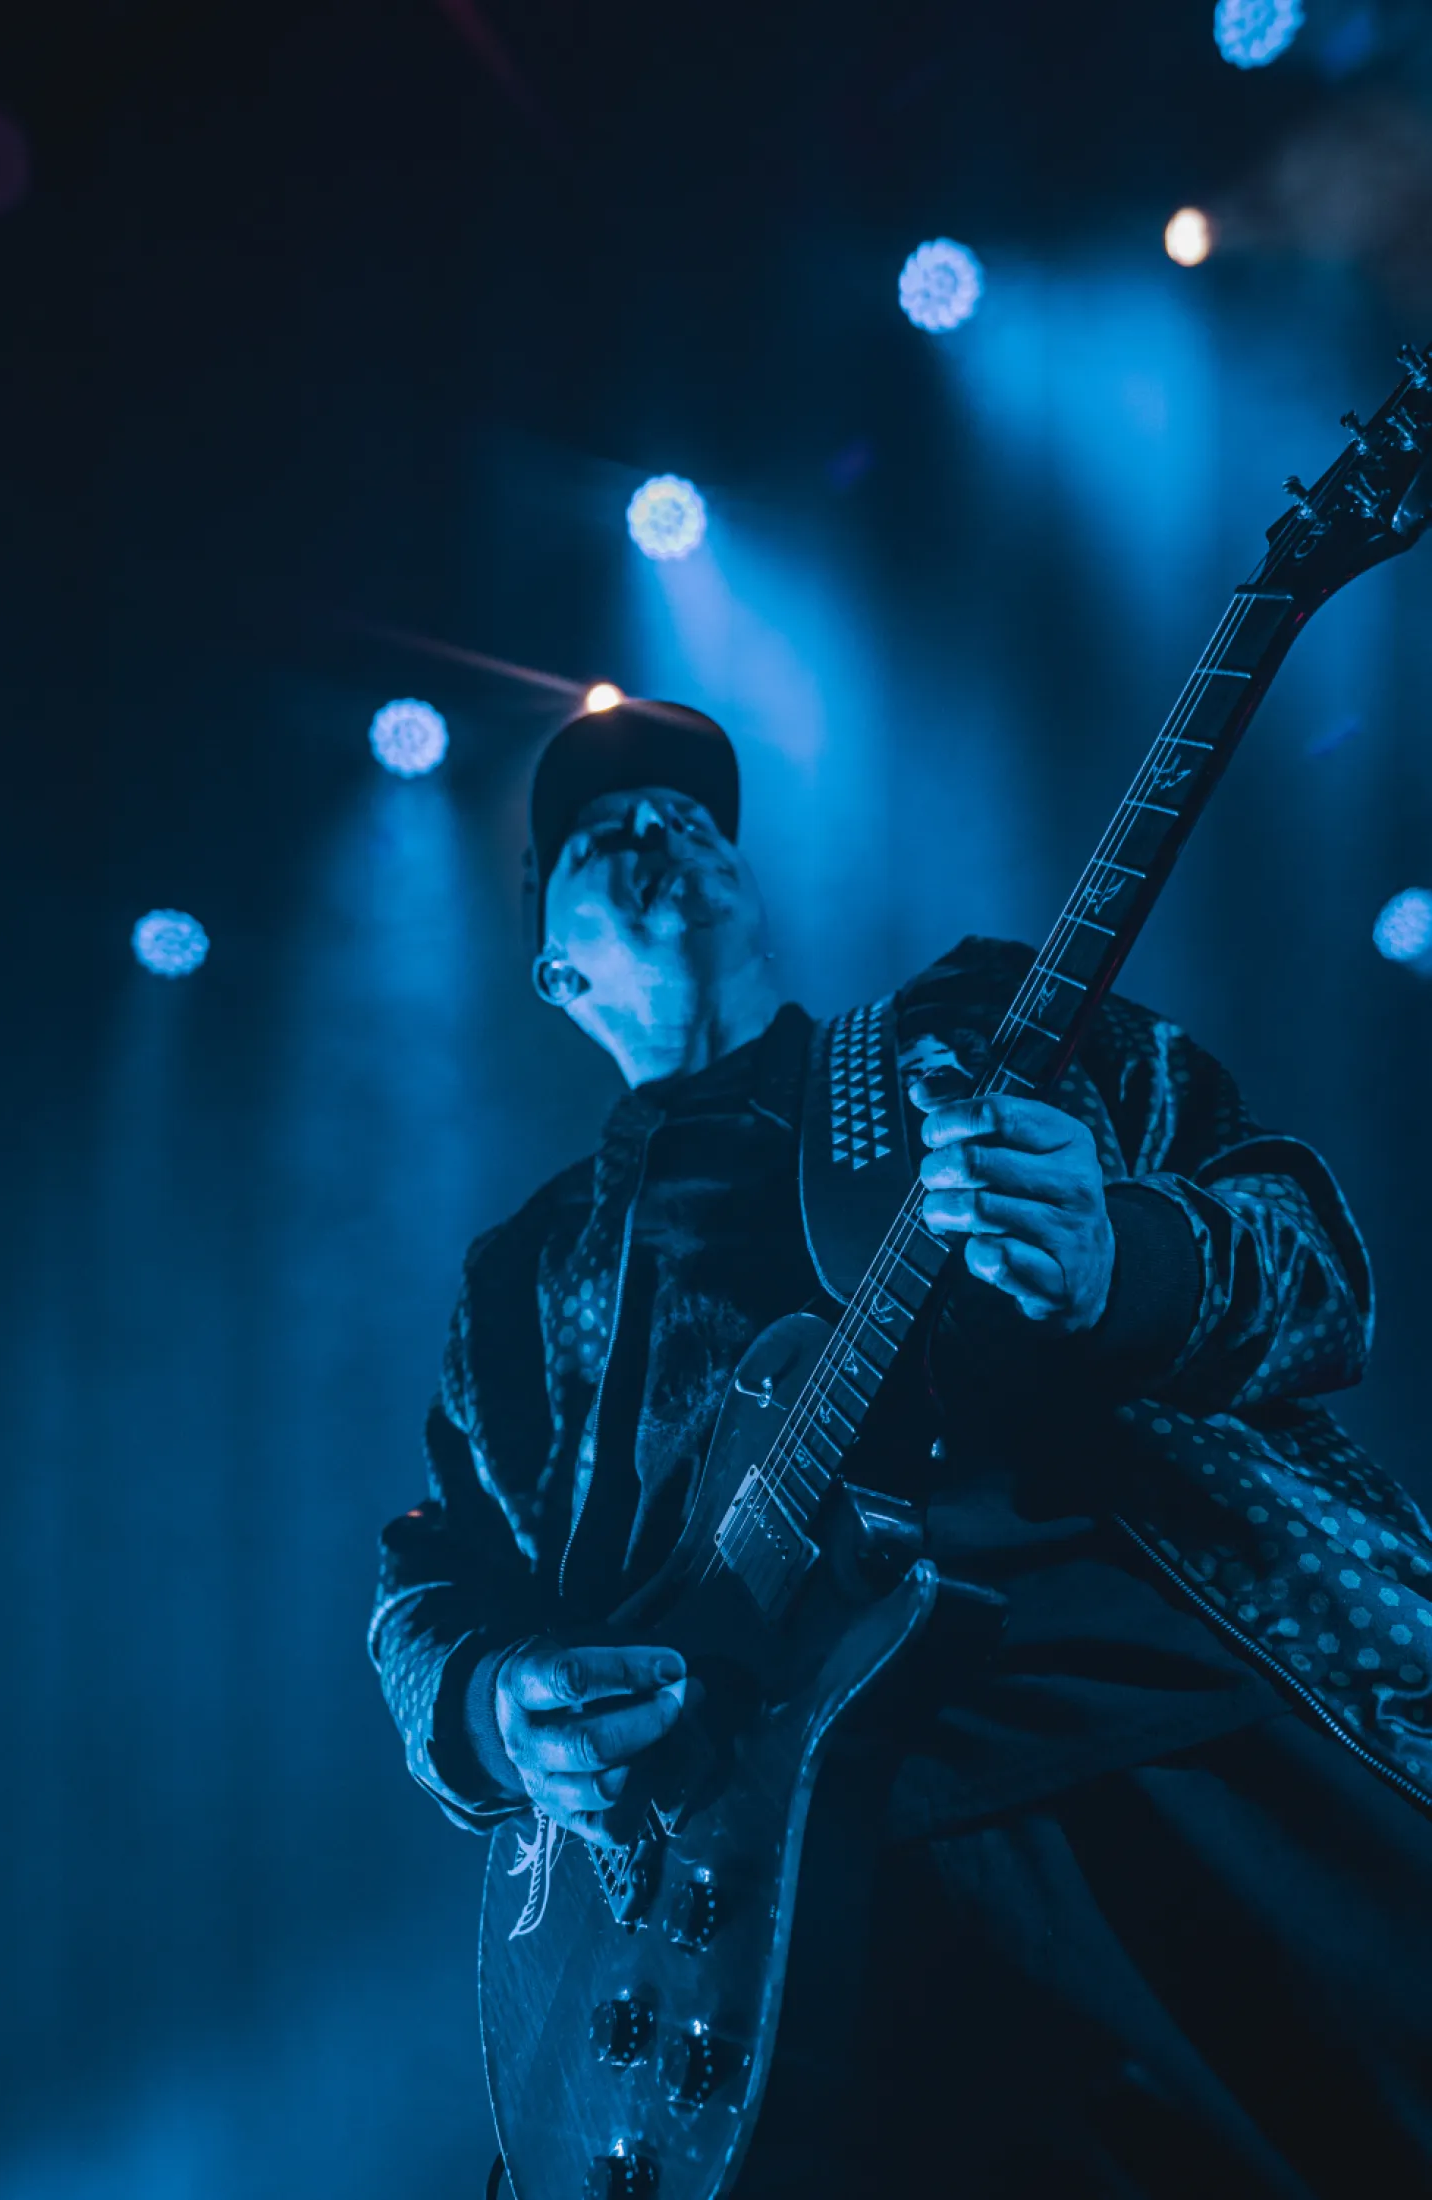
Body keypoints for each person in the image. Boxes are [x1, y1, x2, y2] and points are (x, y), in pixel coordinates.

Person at [371, 698, 1432, 2197]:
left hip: (1119, 1767)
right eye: (606, 833)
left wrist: (1117, 1253)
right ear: (556, 968)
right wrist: (491, 1705)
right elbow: (434, 1575)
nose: (663, 828)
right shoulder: (520, 1277)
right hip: (729, 1930)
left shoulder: (973, 1028)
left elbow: (1312, 1255)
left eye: (695, 816)